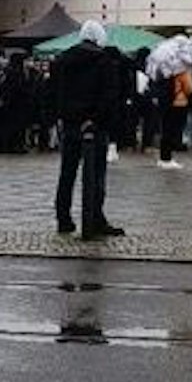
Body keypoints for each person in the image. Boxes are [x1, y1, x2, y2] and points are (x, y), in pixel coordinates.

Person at [51, 20, 122, 239]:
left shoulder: (62, 60)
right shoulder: (104, 61)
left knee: (67, 173)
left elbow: (54, 93)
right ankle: (95, 218)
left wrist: (62, 117)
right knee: (96, 174)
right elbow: (109, 94)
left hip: (70, 123)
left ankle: (63, 218)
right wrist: (94, 118)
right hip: (94, 125)